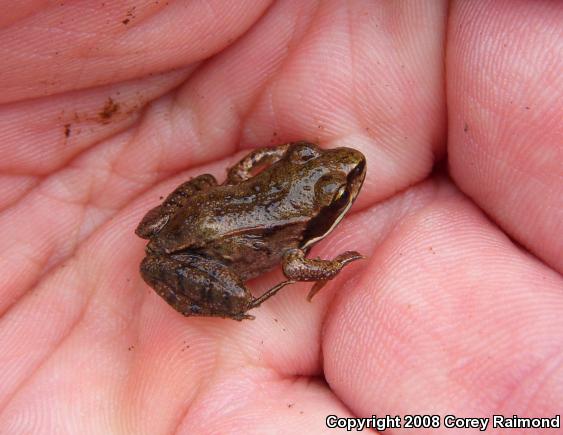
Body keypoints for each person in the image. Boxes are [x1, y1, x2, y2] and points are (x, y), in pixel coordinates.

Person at [0, 1, 561, 433]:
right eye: (325, 179)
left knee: (207, 189)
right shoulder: (297, 242)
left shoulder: (265, 176)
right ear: (323, 211)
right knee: (240, 294)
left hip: (200, 214)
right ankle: (237, 304)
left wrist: (276, 164)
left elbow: (244, 170)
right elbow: (293, 267)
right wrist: (333, 263)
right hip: (204, 250)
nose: (346, 171)